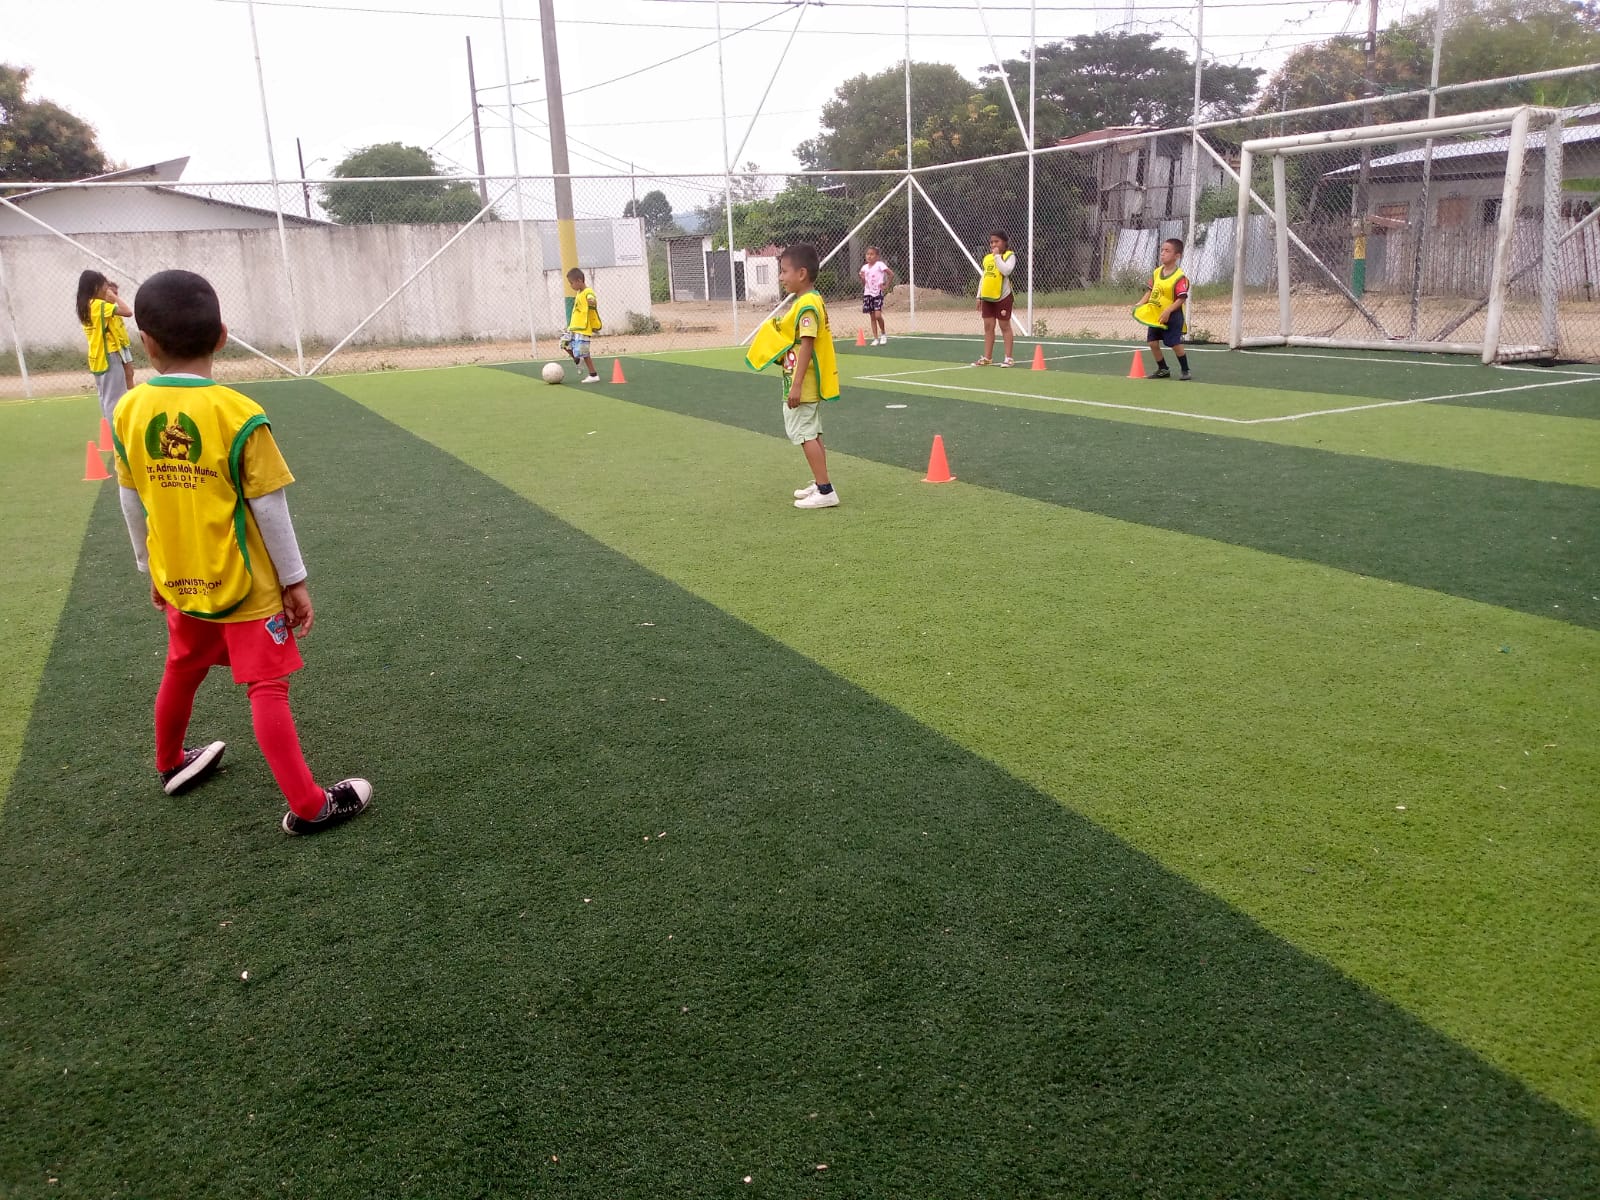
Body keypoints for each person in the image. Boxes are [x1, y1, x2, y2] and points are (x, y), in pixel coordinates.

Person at [111, 269, 371, 836]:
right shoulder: (239, 414)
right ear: (223, 335)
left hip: (178, 576)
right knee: (267, 687)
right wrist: (294, 581)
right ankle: (310, 807)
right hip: (244, 584)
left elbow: (132, 500)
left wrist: (149, 567)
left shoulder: (128, 410)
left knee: (182, 666)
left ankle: (170, 763)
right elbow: (270, 510)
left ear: (145, 342)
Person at [744, 244, 841, 510]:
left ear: (801, 273)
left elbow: (807, 343)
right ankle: (821, 482)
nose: (780, 277)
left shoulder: (807, 305)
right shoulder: (810, 300)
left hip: (804, 382)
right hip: (805, 381)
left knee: (804, 434)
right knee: (813, 432)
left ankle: (826, 490)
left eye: (784, 271)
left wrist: (796, 385)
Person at [77, 269, 136, 422]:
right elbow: (128, 312)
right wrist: (114, 297)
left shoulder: (86, 305)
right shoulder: (99, 305)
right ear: (96, 287)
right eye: (104, 285)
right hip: (109, 355)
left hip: (97, 357)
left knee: (105, 397)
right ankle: (116, 432)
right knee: (114, 400)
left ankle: (110, 430)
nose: (106, 289)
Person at [1136, 237, 1192, 381]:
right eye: (1162, 250)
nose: (1163, 253)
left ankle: (1185, 370)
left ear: (1177, 256)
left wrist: (1168, 311)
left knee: (1174, 343)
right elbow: (1150, 291)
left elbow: (1181, 298)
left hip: (1172, 316)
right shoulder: (1156, 272)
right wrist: (1140, 304)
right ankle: (1163, 369)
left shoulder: (1179, 277)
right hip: (1156, 315)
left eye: (1167, 251)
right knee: (1152, 342)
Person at [973, 231, 1017, 367]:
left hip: (1003, 297)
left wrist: (997, 256)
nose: (993, 244)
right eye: (991, 242)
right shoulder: (987, 258)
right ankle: (987, 357)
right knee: (988, 326)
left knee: (1004, 326)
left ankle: (1008, 358)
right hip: (988, 296)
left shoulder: (1009, 256)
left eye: (996, 241)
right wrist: (979, 295)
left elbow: (1006, 271)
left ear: (1004, 242)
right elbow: (984, 277)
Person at [561, 267, 602, 383]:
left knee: (584, 352)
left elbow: (591, 298)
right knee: (564, 343)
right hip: (574, 327)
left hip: (583, 328)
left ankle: (593, 375)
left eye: (571, 283)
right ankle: (577, 359)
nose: (571, 286)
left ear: (579, 281)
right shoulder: (579, 293)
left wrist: (592, 301)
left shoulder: (588, 292)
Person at [859, 246, 895, 346]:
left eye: (872, 254)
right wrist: (862, 278)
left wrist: (886, 285)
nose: (869, 256)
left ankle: (883, 334)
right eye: (867, 254)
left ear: (877, 256)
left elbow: (891, 274)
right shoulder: (864, 268)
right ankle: (875, 338)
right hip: (868, 293)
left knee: (878, 315)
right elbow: (864, 283)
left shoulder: (880, 265)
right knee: (872, 317)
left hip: (877, 293)